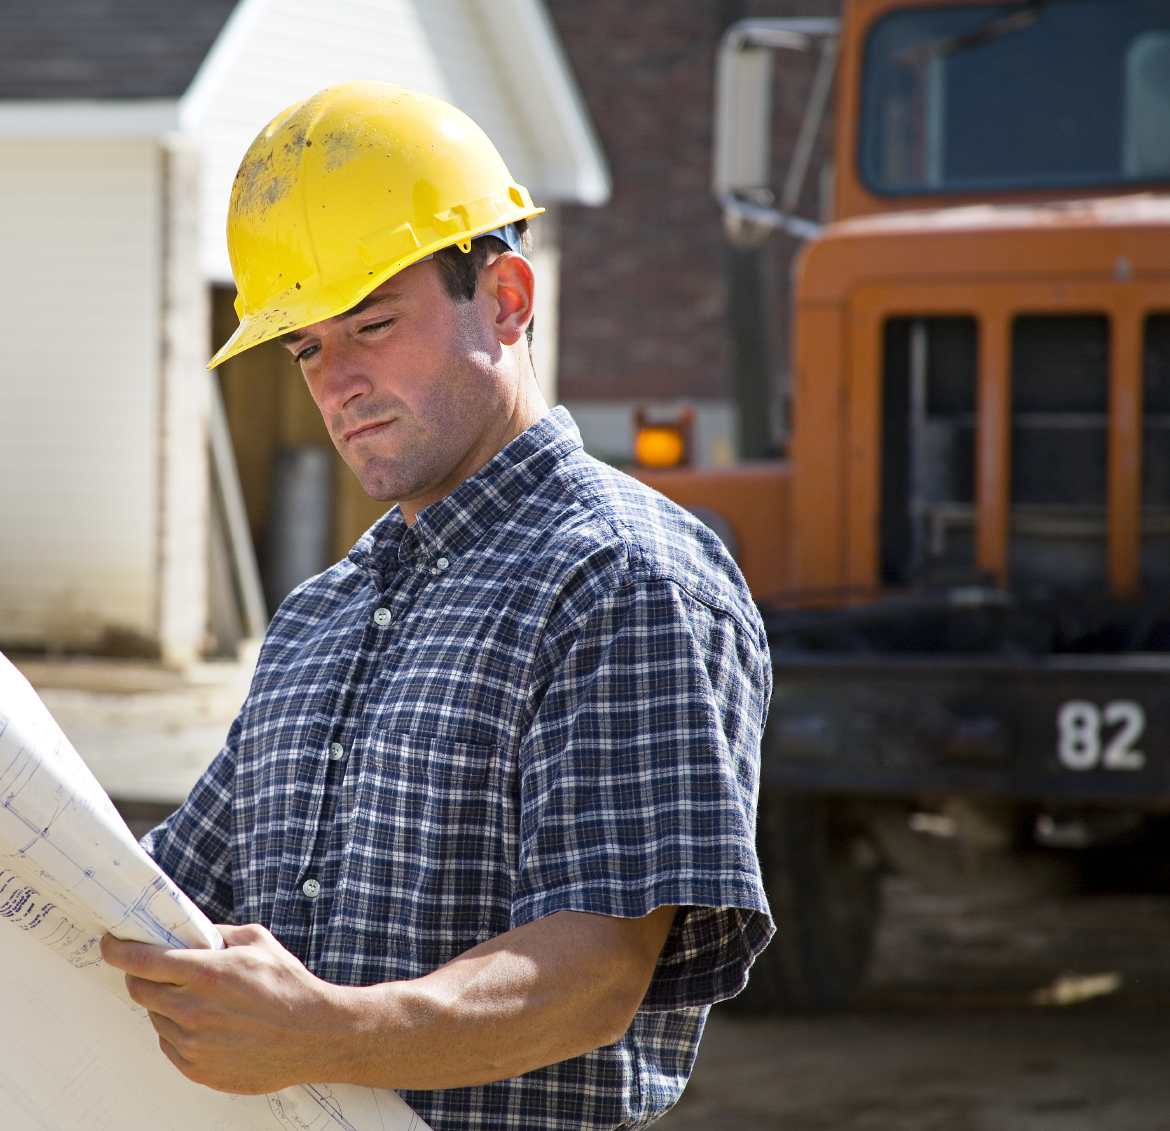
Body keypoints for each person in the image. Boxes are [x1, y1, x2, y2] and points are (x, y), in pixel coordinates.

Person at [99, 81, 772, 1131]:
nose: (337, 384)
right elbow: (163, 891)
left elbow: (593, 975)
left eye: (372, 323)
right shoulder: (323, 615)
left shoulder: (621, 577)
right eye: (309, 347)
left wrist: (330, 1030)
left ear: (505, 298)